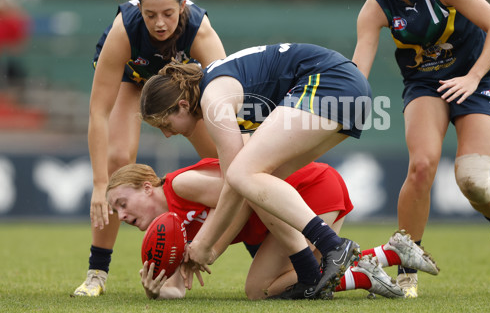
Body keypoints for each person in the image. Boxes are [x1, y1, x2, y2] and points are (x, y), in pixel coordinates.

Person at [351, 0, 490, 297]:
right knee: (420, 167)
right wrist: (352, 98)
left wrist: (473, 76)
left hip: (475, 82)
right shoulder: (375, 7)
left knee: (473, 180)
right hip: (425, 85)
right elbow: (359, 67)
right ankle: (405, 271)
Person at [139, 42, 373, 299]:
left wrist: (205, 245)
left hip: (330, 82)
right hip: (350, 89)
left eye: (165, 123)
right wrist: (210, 249)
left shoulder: (212, 101)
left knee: (241, 174)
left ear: (182, 105)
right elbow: (245, 195)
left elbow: (233, 182)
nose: (167, 134)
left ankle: (333, 246)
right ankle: (309, 273)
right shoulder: (213, 90)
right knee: (260, 181)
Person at [73, 0, 227, 297]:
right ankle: (97, 273)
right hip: (135, 80)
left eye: (168, 14)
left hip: (180, 85)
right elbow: (98, 112)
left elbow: (227, 100)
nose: (159, 23)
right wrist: (101, 184)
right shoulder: (124, 31)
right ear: (139, 9)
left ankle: (256, 240)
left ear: (183, 7)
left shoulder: (201, 32)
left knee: (225, 159)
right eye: (150, 14)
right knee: (117, 159)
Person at [105, 159, 439, 299]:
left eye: (122, 202)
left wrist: (211, 249)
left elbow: (247, 193)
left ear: (147, 187)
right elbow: (180, 287)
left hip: (308, 192)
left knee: (260, 289)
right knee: (266, 289)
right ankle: (386, 255)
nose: (121, 215)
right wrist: (157, 289)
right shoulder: (171, 231)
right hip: (284, 215)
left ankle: (377, 262)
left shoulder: (182, 185)